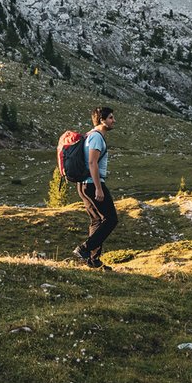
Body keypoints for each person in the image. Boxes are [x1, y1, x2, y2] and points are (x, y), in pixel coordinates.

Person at [72, 107, 118, 269]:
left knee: (97, 220)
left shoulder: (89, 135)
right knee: (111, 219)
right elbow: (92, 162)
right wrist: (99, 188)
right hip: (92, 184)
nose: (114, 121)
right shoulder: (97, 137)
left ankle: (93, 260)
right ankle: (84, 249)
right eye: (111, 118)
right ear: (102, 120)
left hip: (83, 184)